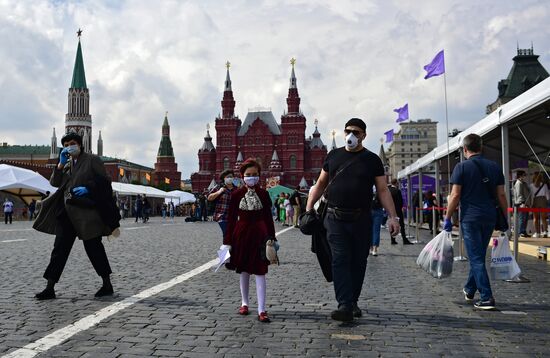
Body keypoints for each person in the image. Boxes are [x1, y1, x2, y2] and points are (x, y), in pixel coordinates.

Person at [305, 118, 400, 322]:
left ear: (364, 135)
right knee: (340, 259)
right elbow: (320, 184)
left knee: (358, 261)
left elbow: (383, 190)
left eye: (356, 132)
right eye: (348, 131)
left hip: (361, 218)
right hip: (335, 217)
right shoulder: (333, 155)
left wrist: (393, 217)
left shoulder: (372, 160)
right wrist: (308, 207)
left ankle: (353, 301)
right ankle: (344, 305)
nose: (351, 135)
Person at [33, 131, 119, 300]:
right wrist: (59, 165)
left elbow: (105, 181)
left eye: (72, 143)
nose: (69, 147)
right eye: (65, 145)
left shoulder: (92, 160)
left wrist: (89, 188)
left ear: (80, 144)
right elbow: (54, 183)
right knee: (59, 249)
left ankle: (107, 283)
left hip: (86, 214)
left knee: (94, 248)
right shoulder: (65, 163)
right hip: (67, 212)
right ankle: (50, 287)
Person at [444, 133, 508, 310]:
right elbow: (501, 195)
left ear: (465, 149)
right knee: (478, 255)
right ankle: (470, 289)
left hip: (470, 217)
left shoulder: (461, 167)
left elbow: (455, 195)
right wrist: (506, 217)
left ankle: (487, 296)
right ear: (481, 147)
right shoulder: (495, 167)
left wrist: (448, 218)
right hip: (489, 217)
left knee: (476, 258)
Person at [222, 159, 276, 323]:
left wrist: (272, 238)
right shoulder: (236, 194)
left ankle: (262, 309)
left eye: (254, 175)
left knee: (260, 271)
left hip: (260, 235)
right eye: (248, 175)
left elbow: (268, 218)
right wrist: (227, 241)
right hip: (242, 234)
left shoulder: (264, 194)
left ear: (259, 176)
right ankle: (244, 303)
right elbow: (231, 219)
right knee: (244, 270)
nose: (251, 178)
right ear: (242, 176)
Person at [208, 169, 235, 238]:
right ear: (224, 178)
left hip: (233, 217)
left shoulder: (236, 189)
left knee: (232, 235)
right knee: (227, 234)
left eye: (231, 177)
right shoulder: (219, 187)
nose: (230, 178)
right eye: (228, 177)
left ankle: (229, 248)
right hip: (222, 216)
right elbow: (209, 197)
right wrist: (219, 192)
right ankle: (227, 248)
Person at [388, 179, 413, 245]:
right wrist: (401, 207)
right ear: (396, 183)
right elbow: (400, 201)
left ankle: (393, 239)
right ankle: (404, 239)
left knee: (392, 224)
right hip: (397, 210)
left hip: (390, 210)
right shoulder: (397, 191)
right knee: (401, 224)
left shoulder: (388, 190)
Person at [530, 172, 549, 238]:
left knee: (536, 218)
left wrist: (532, 203)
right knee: (543, 218)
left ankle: (537, 233)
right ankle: (545, 232)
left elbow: (531, 195)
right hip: (543, 200)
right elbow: (547, 195)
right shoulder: (544, 185)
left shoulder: (531, 185)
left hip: (535, 201)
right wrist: (547, 201)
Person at [513, 170, 531, 238]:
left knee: (525, 218)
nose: (525, 176)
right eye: (524, 175)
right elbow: (519, 194)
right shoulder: (518, 183)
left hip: (525, 203)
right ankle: (521, 232)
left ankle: (523, 231)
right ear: (520, 175)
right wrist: (522, 203)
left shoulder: (523, 183)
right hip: (521, 203)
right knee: (522, 218)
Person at [370, 190, 384, 256]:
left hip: (369, 210)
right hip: (378, 210)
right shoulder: (380, 186)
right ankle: (374, 249)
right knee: (376, 230)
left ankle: (372, 248)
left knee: (370, 230)